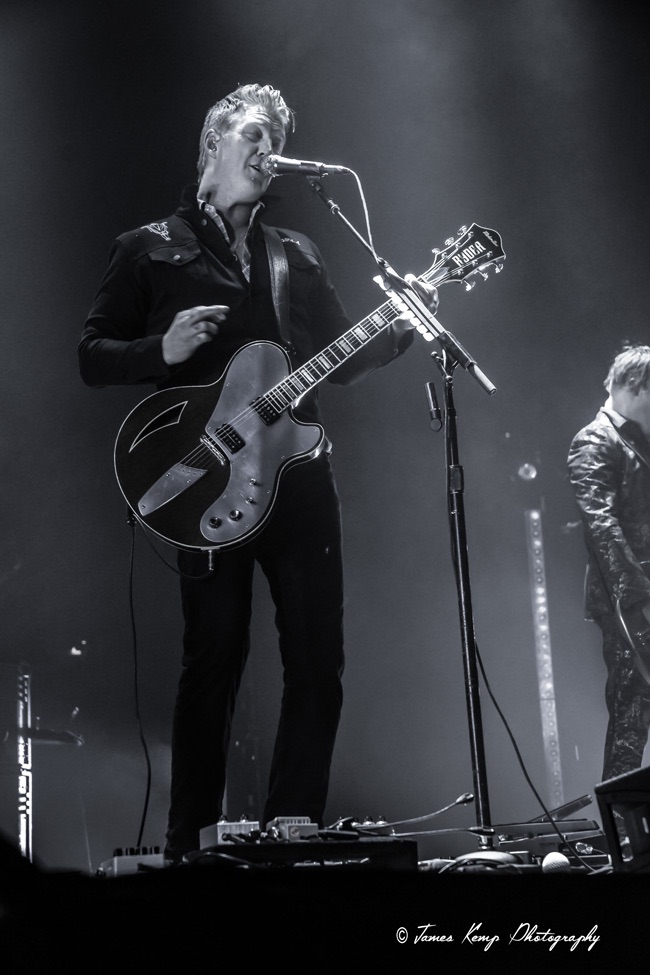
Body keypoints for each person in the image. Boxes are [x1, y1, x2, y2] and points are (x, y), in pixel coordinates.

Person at [78, 83, 435, 862]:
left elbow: (342, 357)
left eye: (275, 137)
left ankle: (293, 825)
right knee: (217, 653)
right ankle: (190, 841)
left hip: (299, 475)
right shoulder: (147, 246)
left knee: (317, 654)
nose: (267, 149)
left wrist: (402, 322)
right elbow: (91, 354)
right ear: (213, 143)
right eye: (253, 133)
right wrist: (158, 351)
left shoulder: (295, 253)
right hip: (203, 482)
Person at [568, 344, 650, 784]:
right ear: (636, 387)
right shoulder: (594, 440)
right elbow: (599, 522)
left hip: (639, 595)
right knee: (631, 712)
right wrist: (636, 598)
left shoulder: (639, 439)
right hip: (628, 603)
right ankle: (625, 833)